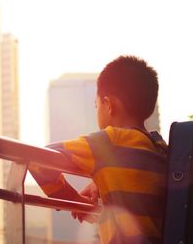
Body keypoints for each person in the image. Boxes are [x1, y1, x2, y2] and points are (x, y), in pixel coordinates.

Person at [29, 56, 168, 244]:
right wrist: (101, 181)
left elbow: (36, 159)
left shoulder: (109, 142)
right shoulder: (159, 147)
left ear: (109, 105)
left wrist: (75, 201)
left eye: (97, 106)